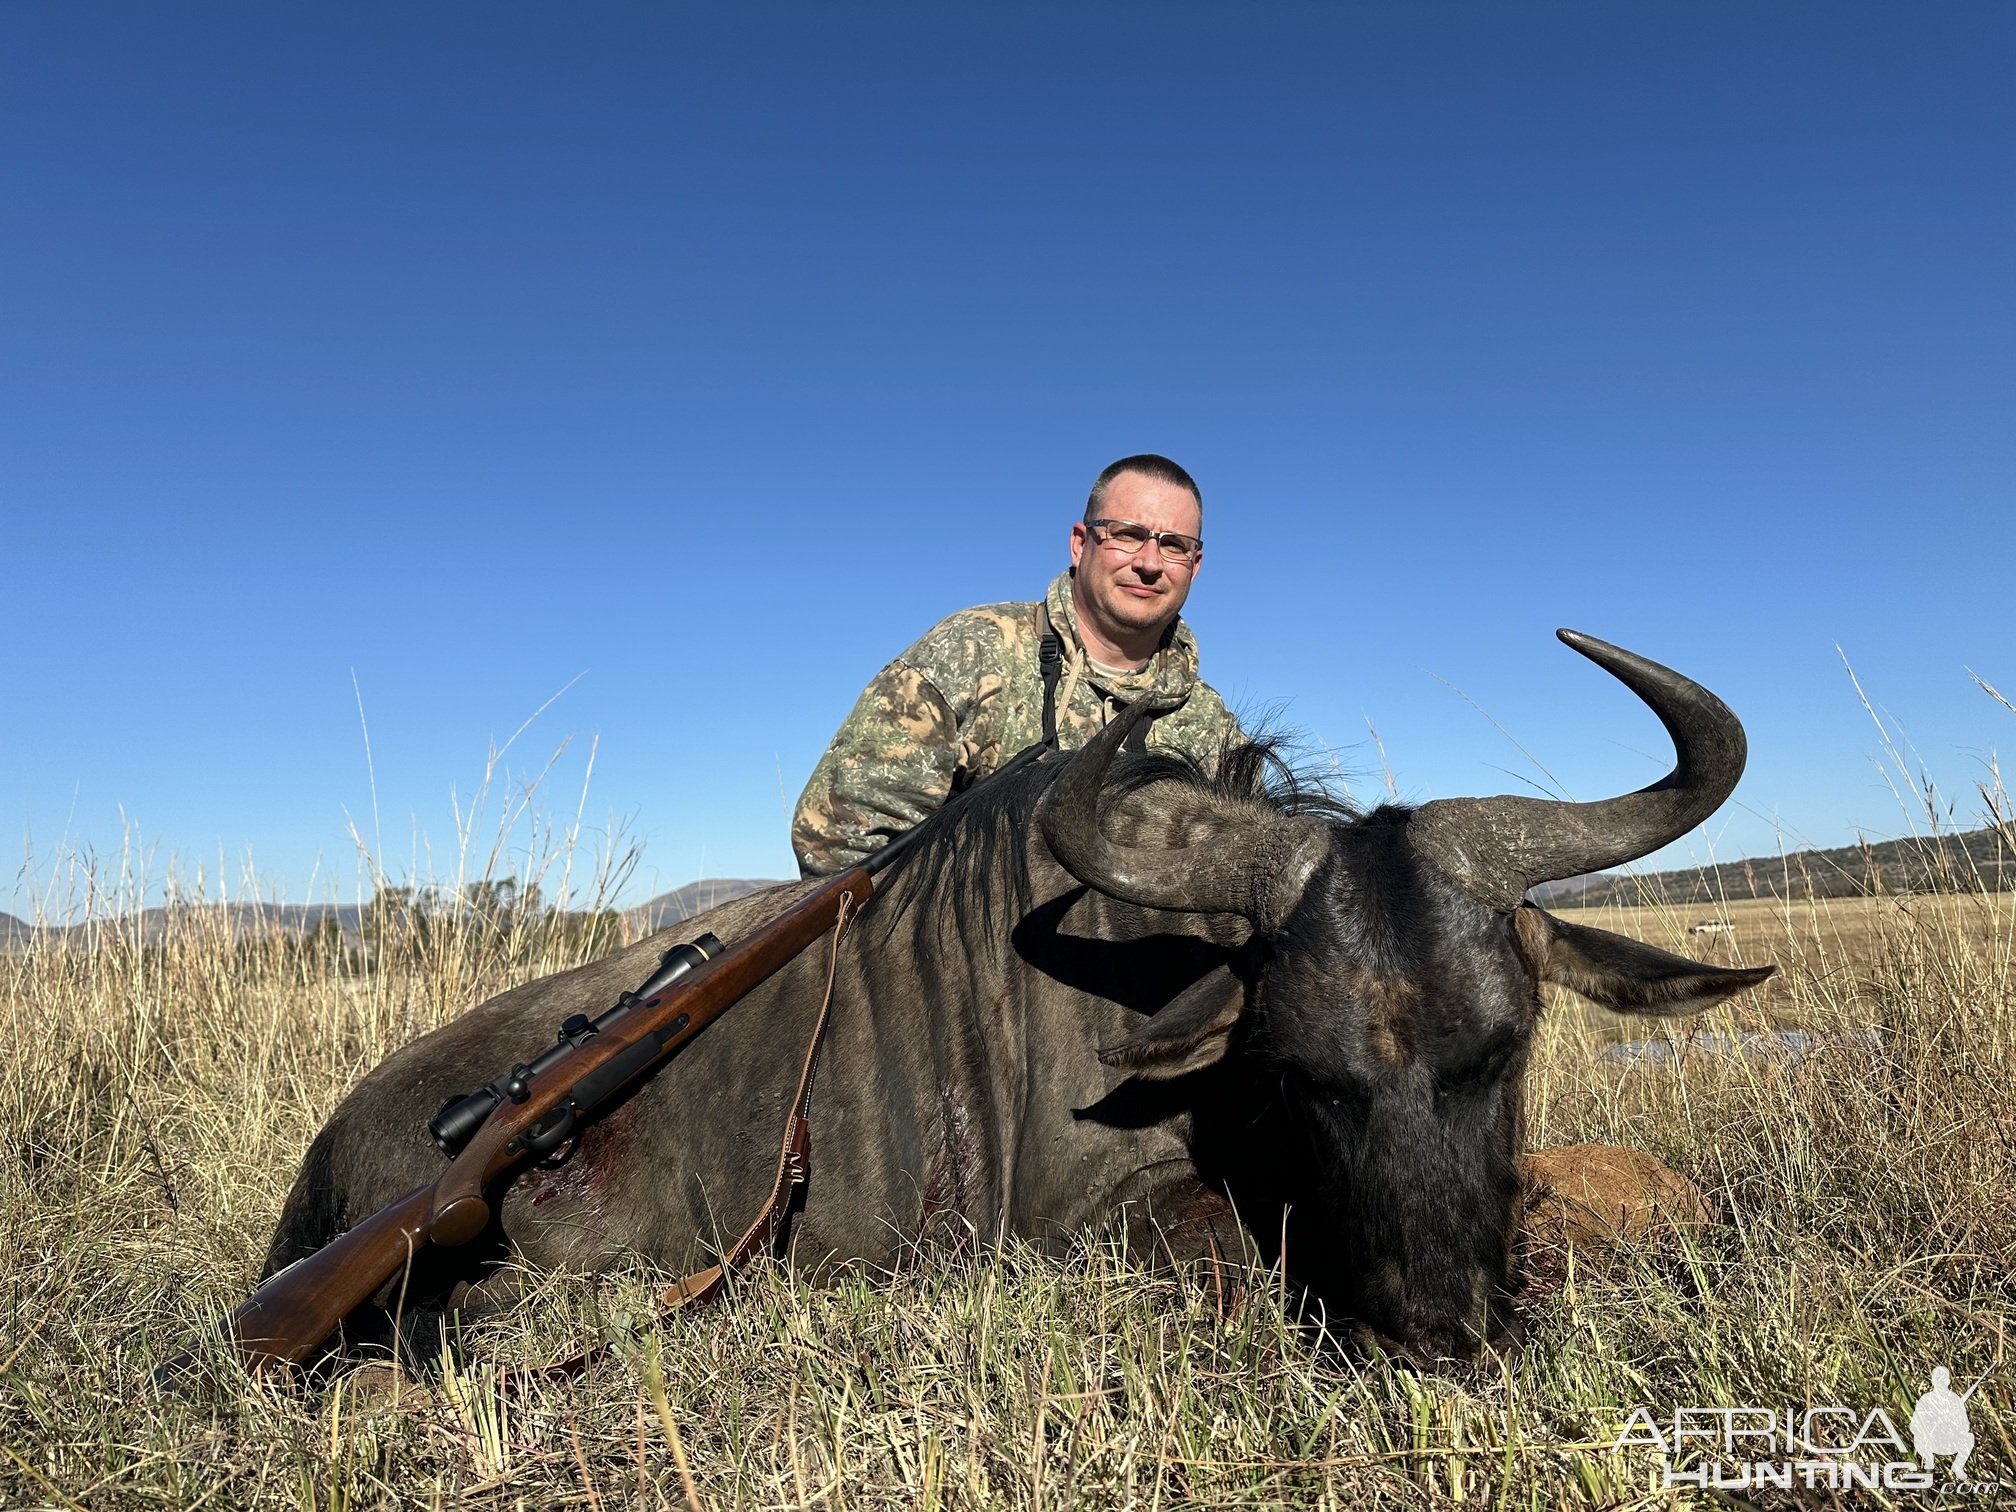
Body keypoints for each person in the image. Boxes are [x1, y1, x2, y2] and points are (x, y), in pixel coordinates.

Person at [791, 454, 1245, 877]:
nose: (1149, 563)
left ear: (1195, 565)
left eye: (1174, 545)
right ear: (1079, 543)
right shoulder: (972, 650)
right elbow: (837, 844)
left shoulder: (1212, 728)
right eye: (1127, 534)